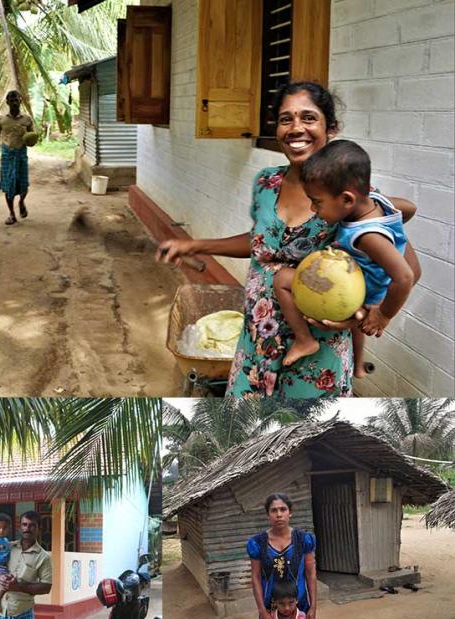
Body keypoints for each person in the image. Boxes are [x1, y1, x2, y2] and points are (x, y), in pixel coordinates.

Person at [156, 80, 421, 397]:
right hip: (258, 334)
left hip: (319, 344)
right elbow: (262, 244)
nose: (297, 128)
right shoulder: (266, 182)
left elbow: (401, 263)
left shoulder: (346, 196)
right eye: (286, 119)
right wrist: (197, 245)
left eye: (309, 118)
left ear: (330, 128)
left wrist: (365, 312)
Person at [274, 139, 415, 372]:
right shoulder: (379, 202)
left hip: (363, 293)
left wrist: (382, 315)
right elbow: (409, 207)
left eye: (317, 202)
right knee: (356, 332)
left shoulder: (365, 236)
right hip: (368, 286)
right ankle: (358, 365)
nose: (313, 210)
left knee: (281, 280)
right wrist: (395, 234)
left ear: (347, 199)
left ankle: (304, 339)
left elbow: (405, 277)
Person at [0, 90, 33, 226]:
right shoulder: (1, 119)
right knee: (7, 186)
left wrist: (32, 139)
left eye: (16, 100)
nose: (14, 102)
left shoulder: (27, 119)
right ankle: (12, 214)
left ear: (20, 101)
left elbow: (31, 137)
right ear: (7, 102)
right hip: (7, 155)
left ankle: (21, 202)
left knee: (23, 184)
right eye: (11, 100)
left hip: (21, 155)